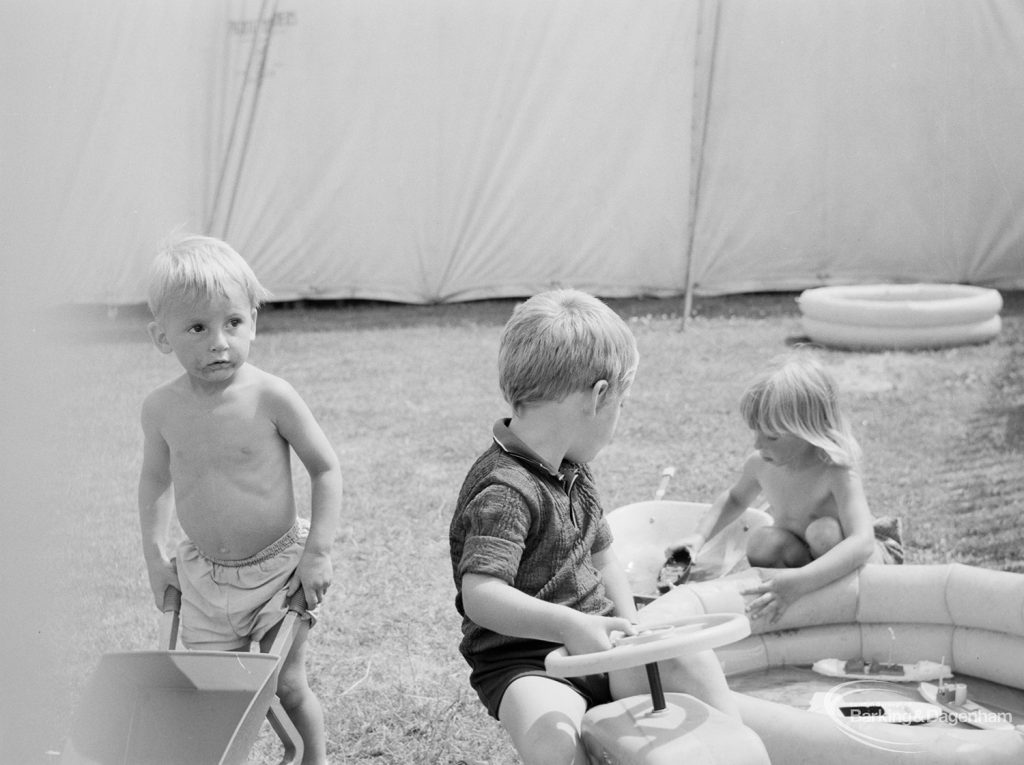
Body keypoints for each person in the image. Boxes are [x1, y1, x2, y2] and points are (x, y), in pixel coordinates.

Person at [449, 289, 740, 765]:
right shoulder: (505, 489)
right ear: (600, 395)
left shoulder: (574, 471)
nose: (619, 418)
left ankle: (735, 749)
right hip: (529, 664)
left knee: (694, 663)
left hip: (602, 643)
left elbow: (604, 556)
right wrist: (571, 623)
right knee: (555, 743)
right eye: (621, 405)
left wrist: (633, 630)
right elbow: (482, 596)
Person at [138, 234, 342, 765]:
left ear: (254, 318)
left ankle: (312, 760)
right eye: (197, 328)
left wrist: (317, 551)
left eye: (233, 322)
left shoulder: (271, 395)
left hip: (278, 569)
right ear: (162, 337)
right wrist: (156, 559)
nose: (219, 342)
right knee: (215, 694)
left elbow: (325, 468)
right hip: (205, 578)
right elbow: (155, 482)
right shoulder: (161, 409)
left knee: (284, 683)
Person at [666, 351, 902, 625]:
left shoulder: (836, 471)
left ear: (809, 431)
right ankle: (807, 598)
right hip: (807, 556)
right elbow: (734, 499)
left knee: (823, 531)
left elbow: (861, 543)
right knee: (761, 541)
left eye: (772, 437)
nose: (757, 444)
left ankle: (822, 593)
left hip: (862, 563)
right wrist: (698, 537)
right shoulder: (761, 465)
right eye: (756, 432)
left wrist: (801, 581)